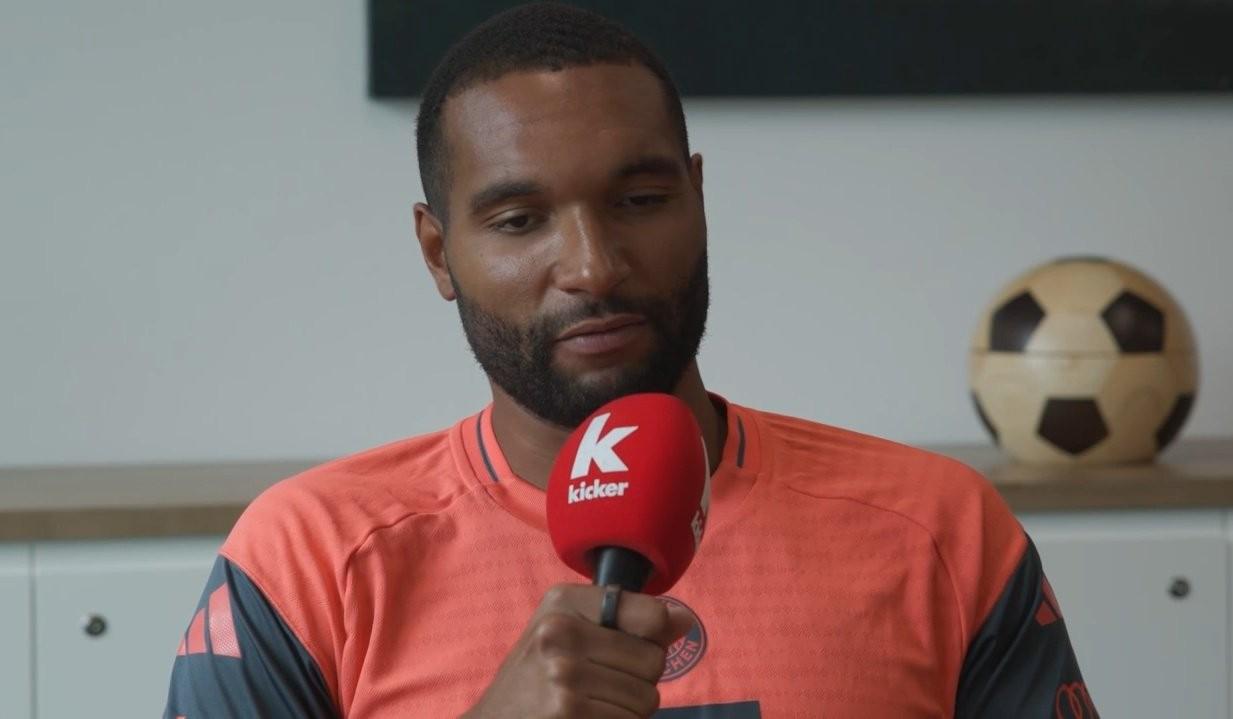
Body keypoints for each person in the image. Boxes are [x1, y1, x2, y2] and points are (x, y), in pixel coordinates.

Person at [163, 4, 1096, 717]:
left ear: (697, 198)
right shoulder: (307, 558)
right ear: (439, 254)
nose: (593, 266)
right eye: (519, 220)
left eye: (640, 201)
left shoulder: (937, 529)